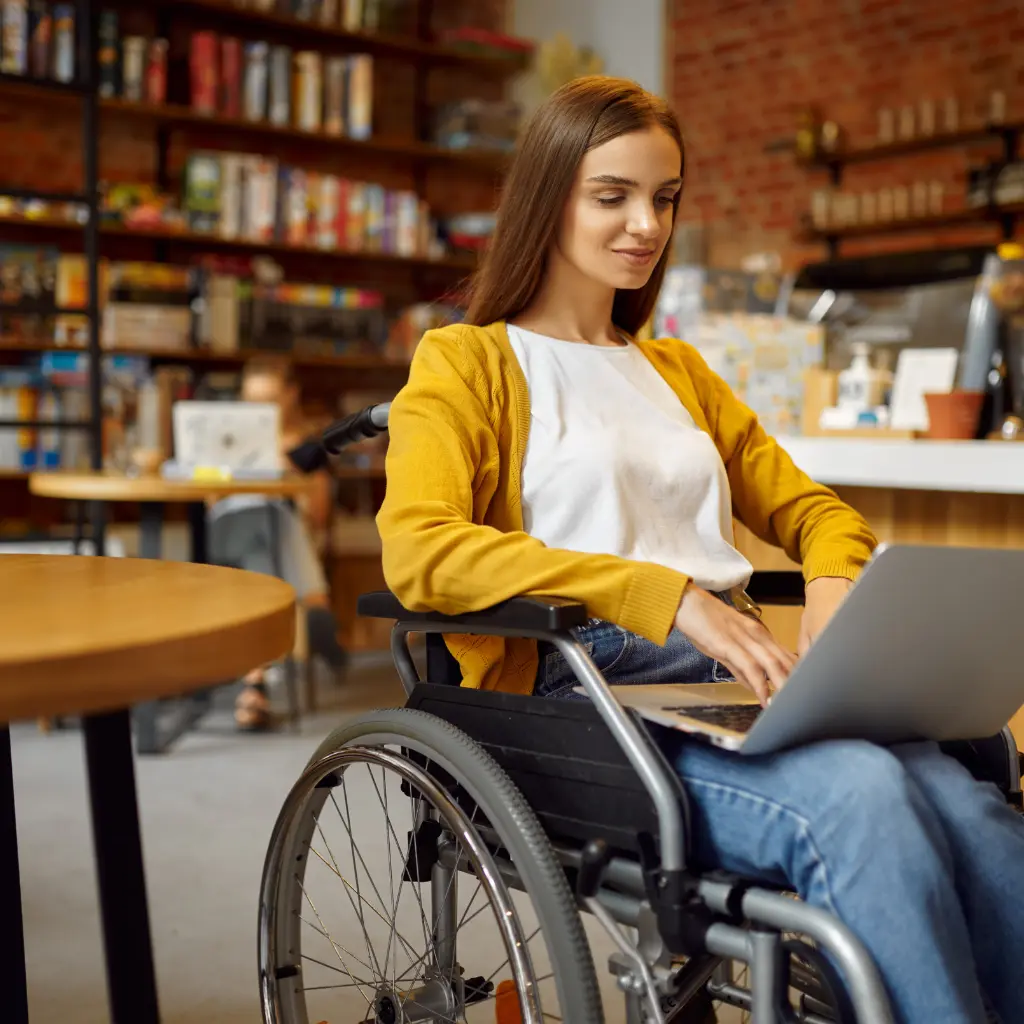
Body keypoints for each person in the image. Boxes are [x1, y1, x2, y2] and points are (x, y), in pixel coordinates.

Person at [375, 76, 1024, 1024]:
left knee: (973, 813)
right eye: (613, 196)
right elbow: (421, 553)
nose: (646, 223)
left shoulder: (678, 370)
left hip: (735, 676)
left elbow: (817, 511)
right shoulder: (466, 362)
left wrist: (835, 577)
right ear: (548, 194)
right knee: (865, 801)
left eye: (665, 197)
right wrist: (663, 592)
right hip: (581, 694)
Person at [209, 355, 346, 730]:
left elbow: (318, 517)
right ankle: (315, 600)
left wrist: (289, 477)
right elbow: (211, 503)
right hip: (230, 533)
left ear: (290, 395)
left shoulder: (308, 449)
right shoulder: (222, 439)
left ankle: (255, 688)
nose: (261, 408)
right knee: (265, 521)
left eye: (269, 397)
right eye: (252, 399)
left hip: (280, 539)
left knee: (275, 525)